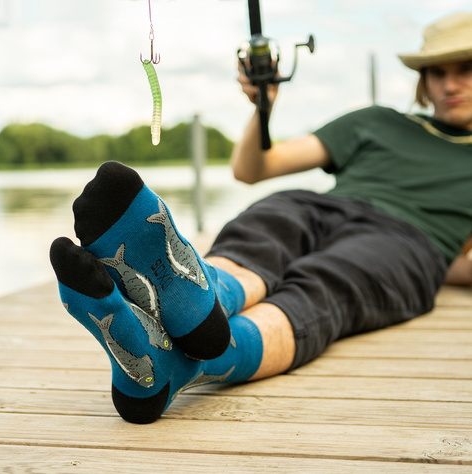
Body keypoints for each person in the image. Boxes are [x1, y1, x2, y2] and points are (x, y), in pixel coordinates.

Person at [50, 12, 472, 424]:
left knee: (330, 281)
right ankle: (199, 304)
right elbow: (254, 170)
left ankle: (177, 364)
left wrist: (433, 264)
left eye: (465, 69)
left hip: (408, 240)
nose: (450, 84)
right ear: (424, 80)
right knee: (266, 226)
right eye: (438, 72)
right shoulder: (378, 121)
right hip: (318, 206)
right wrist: (263, 108)